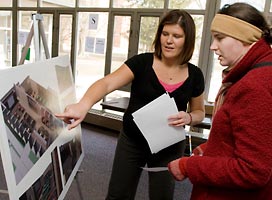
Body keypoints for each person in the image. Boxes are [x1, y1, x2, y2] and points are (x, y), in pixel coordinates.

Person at [56, 9, 205, 200]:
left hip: (169, 146)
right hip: (132, 142)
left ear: (187, 40)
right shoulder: (142, 62)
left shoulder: (195, 75)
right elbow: (107, 83)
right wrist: (83, 105)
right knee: (118, 195)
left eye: (176, 36)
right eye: (165, 33)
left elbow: (199, 111)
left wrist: (190, 117)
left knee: (162, 197)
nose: (168, 40)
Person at [168, 3, 272, 200]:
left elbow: (253, 170)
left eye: (220, 38)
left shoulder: (253, 86)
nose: (212, 46)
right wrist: (210, 148)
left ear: (245, 37)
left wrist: (188, 165)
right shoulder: (261, 73)